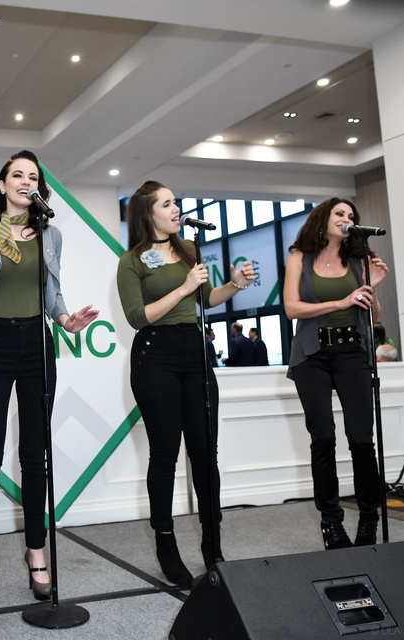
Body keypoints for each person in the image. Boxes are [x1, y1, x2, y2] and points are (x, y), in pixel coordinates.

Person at [0, 150, 99, 610]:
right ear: (1, 184)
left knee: (35, 454)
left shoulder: (50, 234)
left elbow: (53, 291)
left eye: (33, 177)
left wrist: (67, 319)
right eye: (17, 175)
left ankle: (37, 553)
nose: (25, 182)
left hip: (38, 344)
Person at [116, 180, 255, 587]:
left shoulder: (190, 250)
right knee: (164, 455)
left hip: (194, 354)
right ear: (148, 213)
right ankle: (165, 543)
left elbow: (207, 299)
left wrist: (235, 286)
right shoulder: (132, 261)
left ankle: (213, 545)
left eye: (176, 202)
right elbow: (138, 317)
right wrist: (184, 287)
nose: (177, 208)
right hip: (154, 356)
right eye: (168, 203)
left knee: (204, 453)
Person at [283, 197, 389, 550]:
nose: (347, 219)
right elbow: (291, 308)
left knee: (361, 439)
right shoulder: (300, 257)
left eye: (351, 215)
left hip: (352, 353)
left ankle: (369, 516)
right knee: (323, 437)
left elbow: (373, 319)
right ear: (323, 219)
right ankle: (331, 521)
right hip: (312, 354)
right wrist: (340, 302)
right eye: (340, 214)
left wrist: (373, 289)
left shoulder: (359, 260)